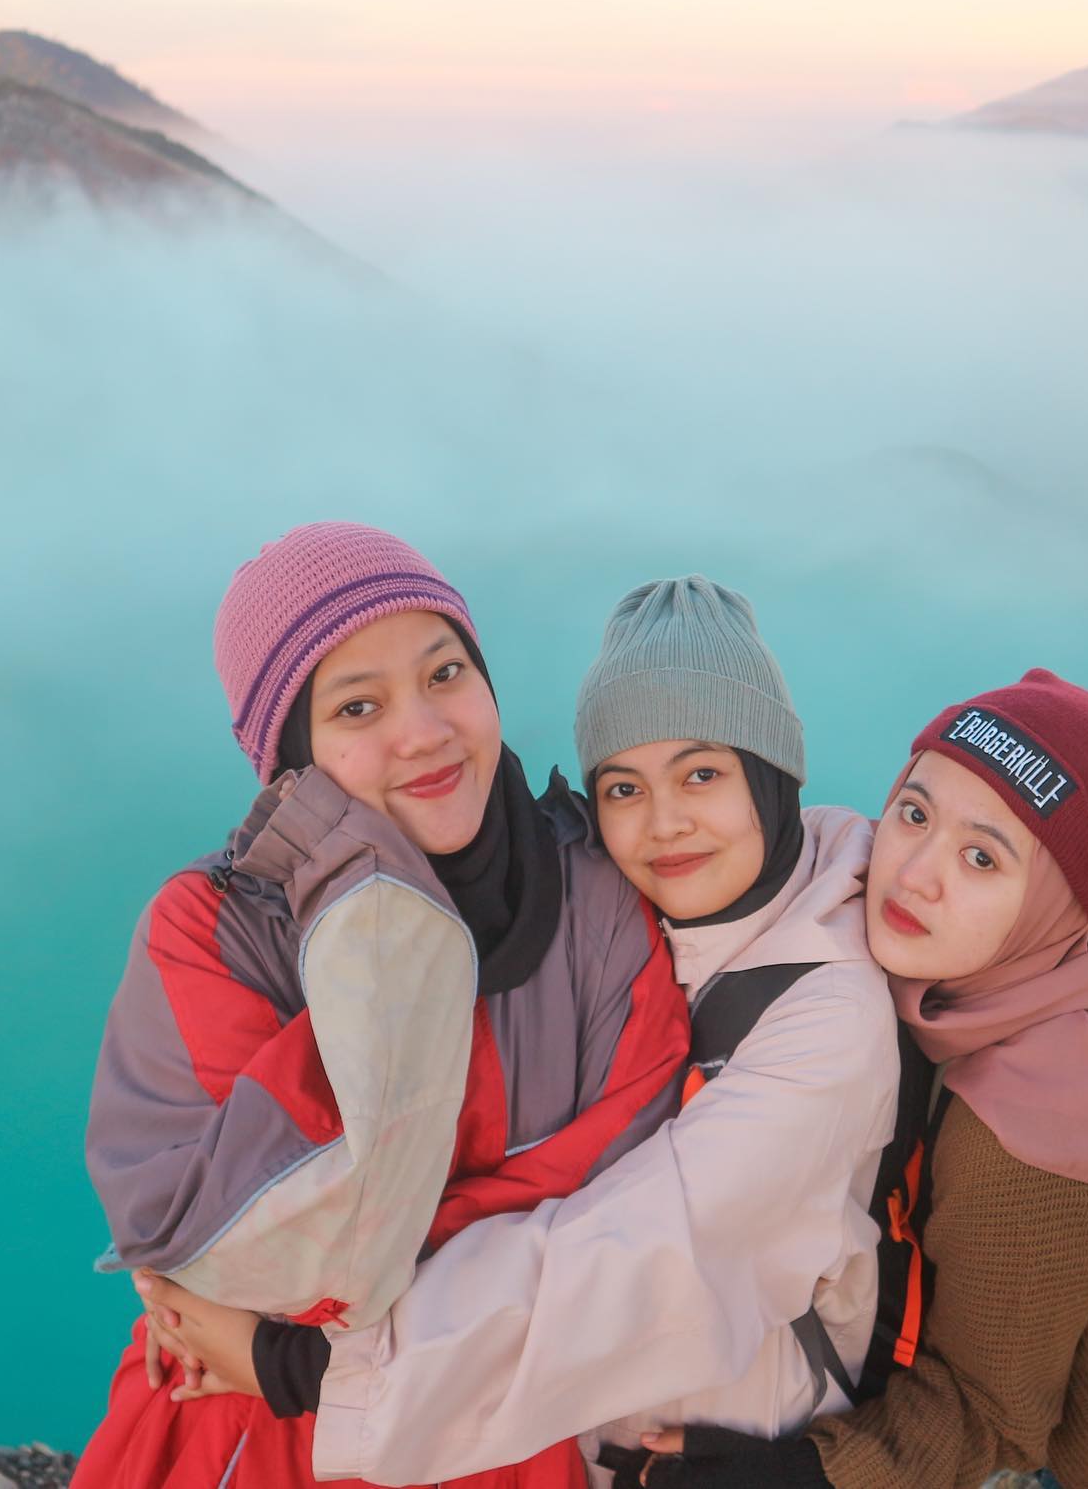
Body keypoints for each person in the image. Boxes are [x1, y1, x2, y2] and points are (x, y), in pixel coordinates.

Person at [140, 576, 901, 1486]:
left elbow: (658, 1253)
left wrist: (301, 1363)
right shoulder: (647, 920)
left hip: (725, 1438)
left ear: (772, 774)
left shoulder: (829, 1012)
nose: (664, 824)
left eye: (702, 773)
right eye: (623, 786)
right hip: (574, 1434)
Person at [633, 669, 1088, 1489]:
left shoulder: (1029, 1123)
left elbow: (986, 1410)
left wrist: (790, 1475)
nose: (915, 873)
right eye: (914, 813)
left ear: (1053, 904)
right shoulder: (1047, 994)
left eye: (982, 857)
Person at [73, 522, 688, 1489]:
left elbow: (634, 1213)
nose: (426, 729)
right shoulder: (211, 929)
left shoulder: (596, 900)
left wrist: (300, 1335)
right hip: (250, 1442)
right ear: (292, 755)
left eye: (446, 673)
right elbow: (231, 1241)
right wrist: (378, 922)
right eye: (358, 705)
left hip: (473, 1434)